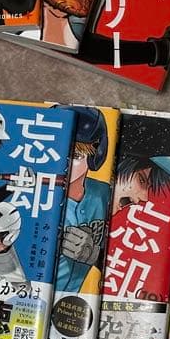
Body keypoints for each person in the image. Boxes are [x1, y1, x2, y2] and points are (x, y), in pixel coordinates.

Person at [55, 107, 111, 292]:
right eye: (58, 152)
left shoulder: (104, 194)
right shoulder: (33, 198)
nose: (64, 164)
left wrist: (95, 255)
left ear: (96, 155)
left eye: (76, 156)